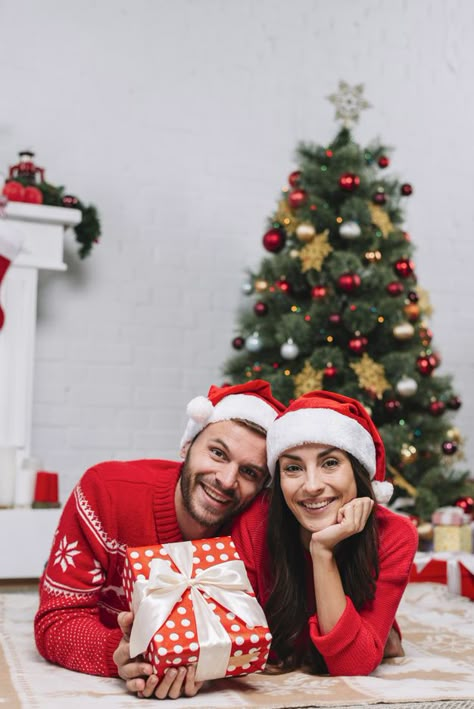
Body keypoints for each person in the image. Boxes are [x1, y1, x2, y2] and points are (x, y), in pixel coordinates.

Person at [34, 379, 284, 700]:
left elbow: (271, 635)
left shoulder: (255, 530)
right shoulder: (106, 491)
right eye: (218, 453)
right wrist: (121, 653)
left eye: (249, 472)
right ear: (188, 445)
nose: (226, 480)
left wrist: (210, 662)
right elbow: (56, 621)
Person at [231, 389, 418, 677]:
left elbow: (351, 665)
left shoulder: (393, 534)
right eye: (293, 468)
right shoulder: (255, 522)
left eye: (330, 463)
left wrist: (322, 552)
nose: (312, 485)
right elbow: (245, 642)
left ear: (357, 470)